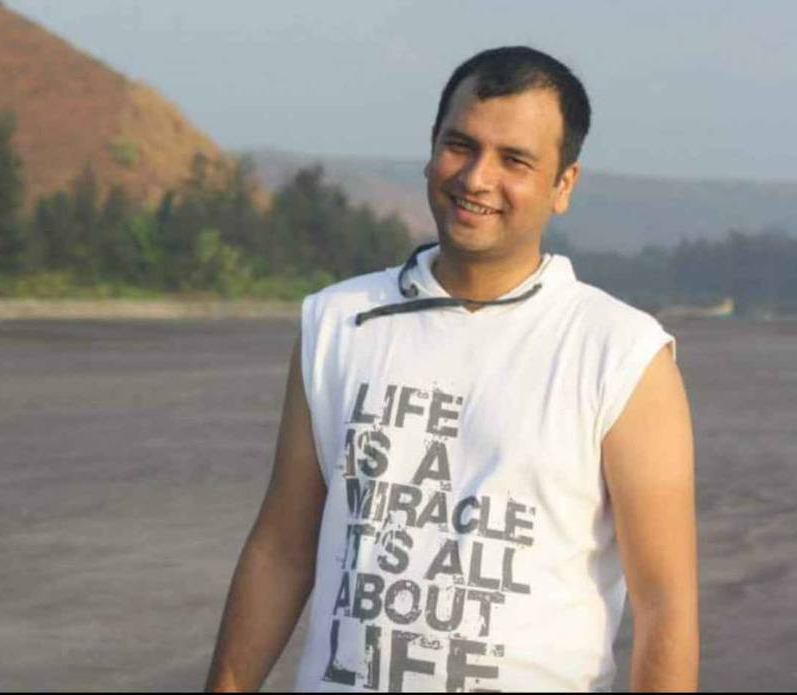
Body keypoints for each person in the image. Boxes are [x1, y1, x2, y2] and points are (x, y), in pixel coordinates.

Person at [205, 46, 698, 692]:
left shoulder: (619, 352)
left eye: (514, 160)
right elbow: (281, 548)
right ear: (432, 148)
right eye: (460, 145)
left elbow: (664, 602)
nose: (476, 178)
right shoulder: (339, 322)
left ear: (563, 185)